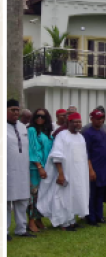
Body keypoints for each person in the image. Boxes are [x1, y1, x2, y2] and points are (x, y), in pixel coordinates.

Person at [37, 112, 89, 231]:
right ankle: (63, 223)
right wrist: (61, 174)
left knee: (76, 195)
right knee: (63, 197)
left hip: (79, 174)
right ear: (68, 122)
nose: (77, 124)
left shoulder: (80, 137)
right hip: (66, 173)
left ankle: (72, 221)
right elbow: (56, 155)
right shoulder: (62, 135)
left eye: (79, 121)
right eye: (74, 121)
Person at [7, 99, 36, 240]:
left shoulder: (22, 127)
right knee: (5, 202)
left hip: (22, 170)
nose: (16, 113)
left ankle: (21, 229)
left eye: (17, 110)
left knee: (22, 200)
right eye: (13, 110)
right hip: (6, 171)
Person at [83, 109, 106, 226]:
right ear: (92, 119)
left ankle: (100, 216)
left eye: (101, 118)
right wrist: (90, 169)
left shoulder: (104, 132)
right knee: (92, 194)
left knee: (101, 193)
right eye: (97, 118)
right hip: (94, 168)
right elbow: (86, 153)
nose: (99, 121)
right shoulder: (87, 133)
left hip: (104, 168)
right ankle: (91, 218)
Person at [27, 108, 54, 232]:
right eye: (37, 116)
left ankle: (39, 219)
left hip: (47, 167)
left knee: (42, 194)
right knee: (33, 194)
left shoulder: (47, 132)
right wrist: (39, 167)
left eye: (42, 117)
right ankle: (31, 221)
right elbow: (32, 149)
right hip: (35, 168)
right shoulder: (32, 130)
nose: (40, 118)